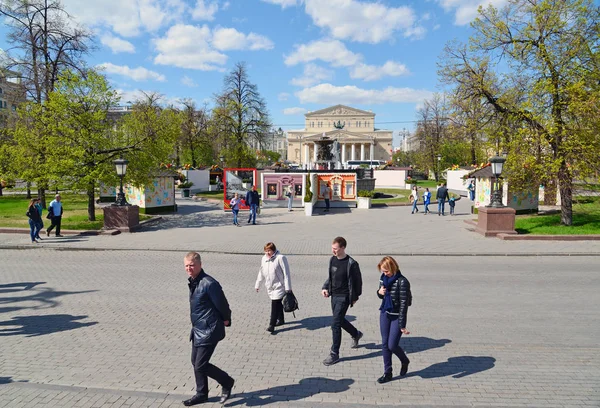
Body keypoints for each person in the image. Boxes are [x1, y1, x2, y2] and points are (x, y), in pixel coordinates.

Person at [183, 252, 235, 406]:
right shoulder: (193, 281)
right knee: (195, 362)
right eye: (186, 265)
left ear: (200, 265)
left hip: (209, 330)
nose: (189, 268)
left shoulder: (209, 283)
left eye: (192, 265)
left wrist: (226, 319)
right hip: (198, 329)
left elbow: (223, 304)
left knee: (200, 364)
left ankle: (227, 381)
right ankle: (202, 394)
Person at [321, 236, 363, 366]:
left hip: (344, 297)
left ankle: (334, 353)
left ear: (343, 248)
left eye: (335, 248)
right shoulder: (332, 260)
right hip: (334, 296)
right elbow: (331, 277)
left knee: (335, 324)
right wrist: (325, 287)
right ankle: (356, 334)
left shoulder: (352, 263)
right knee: (339, 320)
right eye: (332, 248)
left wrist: (355, 297)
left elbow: (358, 282)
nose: (333, 251)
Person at [376, 256, 411, 384]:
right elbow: (380, 295)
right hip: (385, 313)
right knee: (385, 344)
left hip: (397, 315)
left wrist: (402, 325)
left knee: (392, 345)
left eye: (386, 271)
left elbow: (403, 305)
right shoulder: (383, 278)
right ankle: (388, 372)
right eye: (383, 271)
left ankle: (404, 360)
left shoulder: (403, 282)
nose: (384, 274)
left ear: (393, 267)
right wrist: (379, 292)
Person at [255, 242, 292, 334]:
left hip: (280, 286)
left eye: (269, 251)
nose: (267, 253)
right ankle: (281, 319)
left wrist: (288, 288)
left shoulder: (280, 258)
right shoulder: (264, 259)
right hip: (270, 286)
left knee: (274, 304)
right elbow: (261, 272)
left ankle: (272, 325)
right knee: (278, 303)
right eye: (266, 251)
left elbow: (286, 274)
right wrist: (257, 284)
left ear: (274, 250)